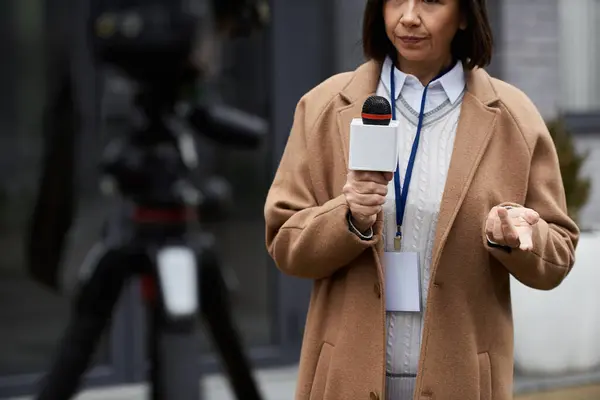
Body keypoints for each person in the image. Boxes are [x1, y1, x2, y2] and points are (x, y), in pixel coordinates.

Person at [264, 0, 579, 399]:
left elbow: (558, 254)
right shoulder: (324, 107)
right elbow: (284, 240)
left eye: (431, 1)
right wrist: (348, 217)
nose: (409, 16)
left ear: (465, 14)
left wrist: (513, 237)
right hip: (344, 380)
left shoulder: (514, 117)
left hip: (462, 380)